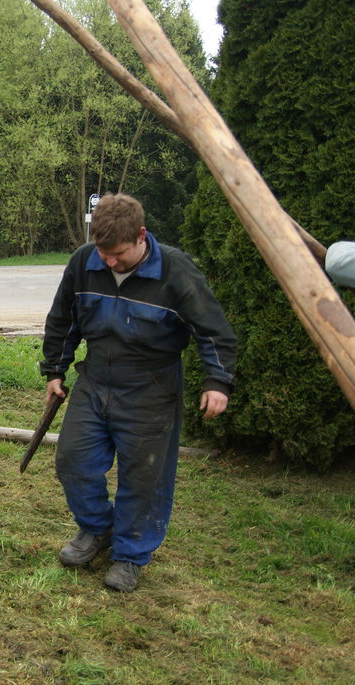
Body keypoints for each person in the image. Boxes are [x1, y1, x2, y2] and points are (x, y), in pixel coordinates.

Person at [40, 193, 236, 593]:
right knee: (73, 460)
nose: (109, 262)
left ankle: (130, 555)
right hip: (95, 379)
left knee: (144, 475)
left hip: (151, 386)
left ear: (141, 236)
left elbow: (214, 331)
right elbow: (63, 318)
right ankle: (97, 529)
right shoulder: (84, 261)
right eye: (103, 252)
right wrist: (55, 370)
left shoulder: (175, 271)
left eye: (118, 254)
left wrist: (217, 382)